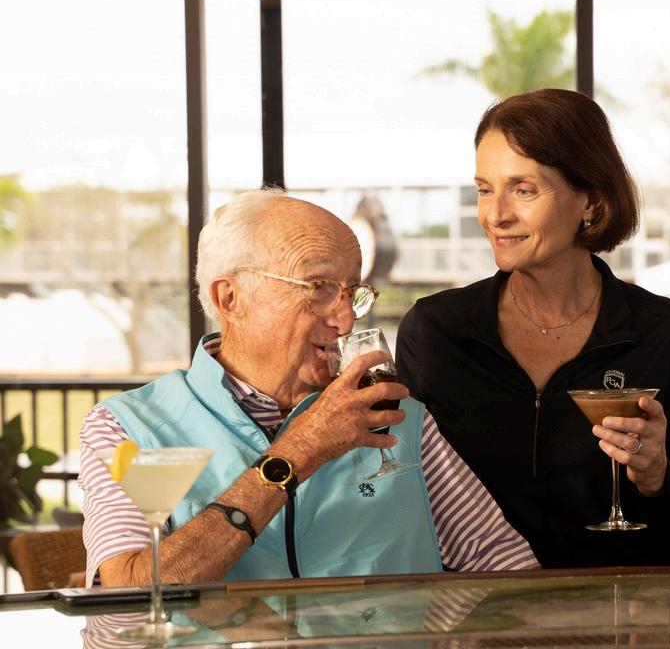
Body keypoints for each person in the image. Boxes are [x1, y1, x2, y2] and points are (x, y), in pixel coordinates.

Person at [79, 190, 538, 588]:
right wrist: (301, 450)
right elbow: (130, 595)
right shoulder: (124, 428)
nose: (346, 319)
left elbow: (504, 568)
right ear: (230, 298)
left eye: (352, 292)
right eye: (319, 288)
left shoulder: (401, 419)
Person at [395, 89, 670, 568]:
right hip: (470, 611)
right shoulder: (434, 331)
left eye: (523, 190)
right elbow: (402, 507)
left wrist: (655, 479)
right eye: (485, 189)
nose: (495, 215)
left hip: (610, 609)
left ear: (591, 202)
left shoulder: (661, 331)